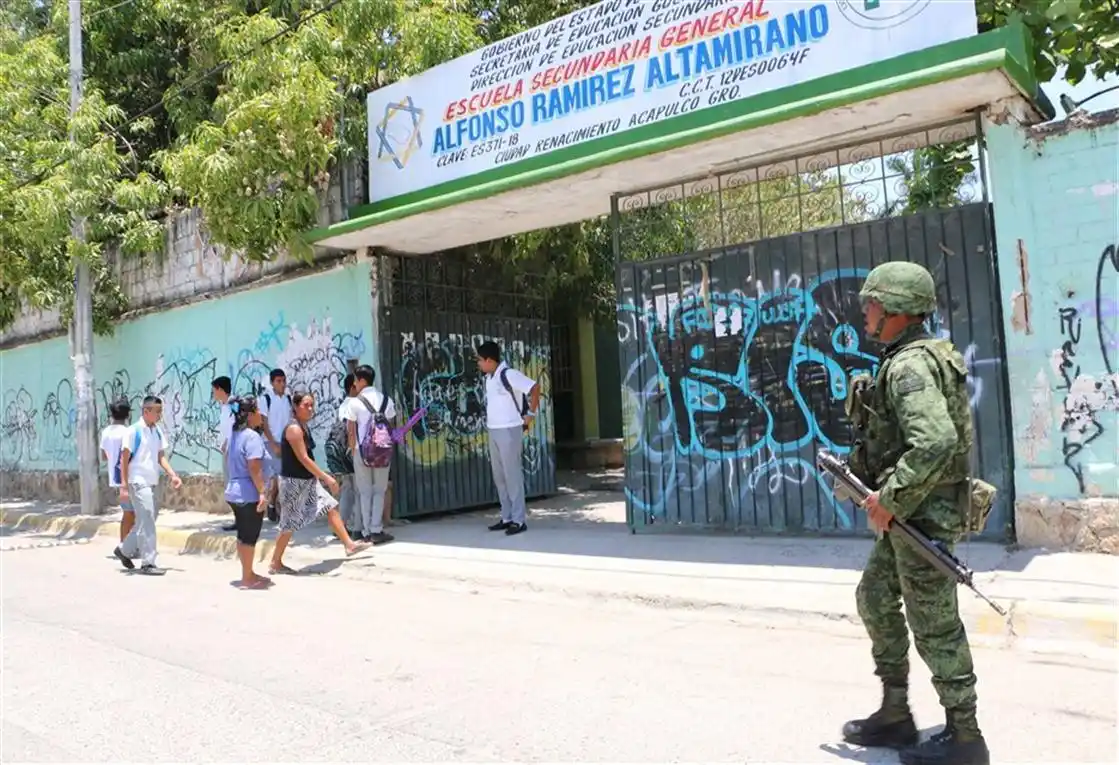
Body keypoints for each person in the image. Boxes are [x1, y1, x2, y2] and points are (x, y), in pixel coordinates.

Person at [841, 261, 989, 765]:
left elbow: (937, 441)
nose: (865, 311)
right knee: (876, 599)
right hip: (909, 515)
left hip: (920, 515)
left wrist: (890, 499)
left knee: (935, 624)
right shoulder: (908, 356)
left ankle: (966, 739)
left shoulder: (908, 366)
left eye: (873, 304)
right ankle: (896, 712)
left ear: (897, 311)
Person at [269, 391, 370, 575]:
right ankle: (275, 563)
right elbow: (304, 458)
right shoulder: (294, 429)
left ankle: (349, 545)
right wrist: (326, 477)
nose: (310, 409)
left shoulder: (303, 426)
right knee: (288, 524)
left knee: (330, 507)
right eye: (305, 405)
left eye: (311, 405)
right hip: (293, 483)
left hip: (306, 481)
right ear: (295, 407)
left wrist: (317, 477)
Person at [475, 341, 540, 536]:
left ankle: (519, 520)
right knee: (500, 476)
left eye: (479, 360)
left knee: (512, 475)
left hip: (510, 430)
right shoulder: (489, 378)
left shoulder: (508, 374)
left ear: (489, 360)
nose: (478, 363)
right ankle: (507, 517)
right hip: (494, 429)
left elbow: (535, 388)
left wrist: (530, 414)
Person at [114, 396, 182, 576]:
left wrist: (172, 475)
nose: (160, 415)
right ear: (146, 411)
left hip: (152, 482)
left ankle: (124, 550)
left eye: (161, 411)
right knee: (148, 519)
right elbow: (124, 459)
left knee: (146, 520)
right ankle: (148, 562)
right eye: (157, 411)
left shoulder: (157, 431)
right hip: (137, 481)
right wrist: (124, 486)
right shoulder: (133, 431)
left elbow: (161, 456)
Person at [224, 395, 271, 590]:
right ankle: (247, 578)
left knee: (243, 535)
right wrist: (262, 492)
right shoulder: (252, 437)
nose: (261, 414)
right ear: (251, 414)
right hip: (248, 493)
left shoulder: (235, 434)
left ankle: (248, 572)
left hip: (234, 492)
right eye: (258, 410)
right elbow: (254, 467)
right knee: (250, 536)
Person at [344, 364, 395, 545]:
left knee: (364, 491)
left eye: (356, 380)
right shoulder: (386, 400)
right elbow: (390, 426)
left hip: (361, 451)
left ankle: (365, 531)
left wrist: (352, 449)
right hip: (382, 451)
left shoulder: (355, 403)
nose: (355, 384)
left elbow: (351, 430)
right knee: (379, 490)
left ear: (362, 381)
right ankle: (376, 529)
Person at [328, 373, 359, 537]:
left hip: (342, 451)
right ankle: (351, 524)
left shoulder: (343, 404)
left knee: (348, 487)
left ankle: (341, 524)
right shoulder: (354, 404)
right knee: (355, 488)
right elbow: (351, 429)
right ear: (353, 387)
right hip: (351, 449)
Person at [99, 397, 133, 543]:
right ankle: (125, 545)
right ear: (127, 415)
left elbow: (104, 456)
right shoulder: (128, 432)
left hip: (116, 477)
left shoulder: (106, 432)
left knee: (128, 513)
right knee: (131, 514)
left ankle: (127, 544)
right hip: (130, 477)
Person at [260, 368, 292, 521]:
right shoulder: (266, 399)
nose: (282, 384)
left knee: (282, 477)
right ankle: (273, 507)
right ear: (272, 383)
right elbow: (264, 423)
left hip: (285, 443)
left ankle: (273, 504)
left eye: (284, 381)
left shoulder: (288, 399)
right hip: (270, 442)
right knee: (276, 477)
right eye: (279, 381)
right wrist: (272, 443)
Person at [212, 375, 237, 532]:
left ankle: (241, 519)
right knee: (230, 486)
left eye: (214, 390)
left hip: (233, 452)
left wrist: (227, 446)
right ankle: (238, 518)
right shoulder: (224, 406)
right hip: (227, 451)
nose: (213, 393)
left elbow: (234, 429)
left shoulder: (233, 406)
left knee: (233, 486)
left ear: (220, 389)